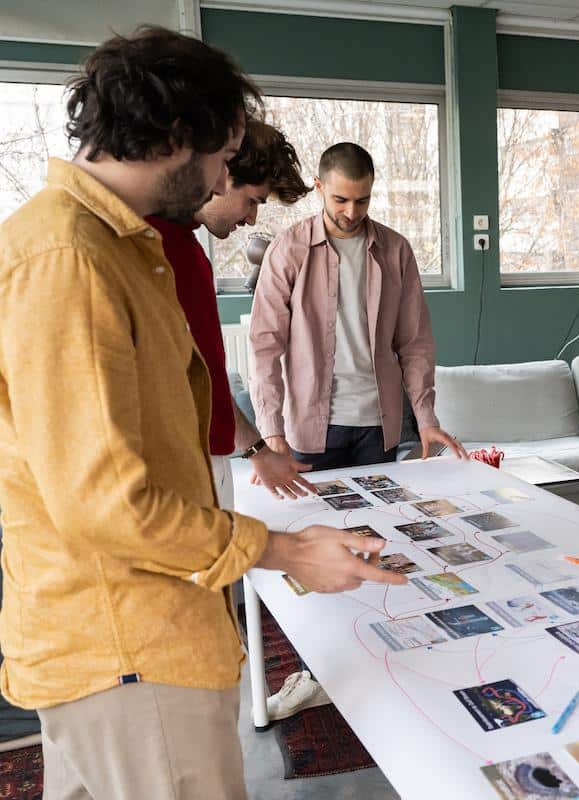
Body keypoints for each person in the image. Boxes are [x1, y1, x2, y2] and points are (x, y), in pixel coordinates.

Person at [0, 28, 407, 800]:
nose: (227, 173)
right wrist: (285, 552)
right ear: (178, 136)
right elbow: (105, 506)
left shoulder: (114, 247)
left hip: (133, 636)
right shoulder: (70, 260)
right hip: (128, 649)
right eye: (223, 155)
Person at [250, 142, 467, 469]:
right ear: (319, 187)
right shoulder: (288, 250)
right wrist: (270, 430)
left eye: (362, 200)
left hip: (378, 428)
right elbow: (265, 345)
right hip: (311, 429)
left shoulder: (396, 250)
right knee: (317, 519)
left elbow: (415, 344)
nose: (352, 212)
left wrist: (426, 419)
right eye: (341, 200)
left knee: (380, 520)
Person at [149, 117, 317, 507]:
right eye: (253, 200)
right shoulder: (146, 245)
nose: (252, 219)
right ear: (219, 174)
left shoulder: (190, 252)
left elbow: (205, 378)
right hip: (171, 478)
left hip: (208, 465)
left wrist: (256, 450)